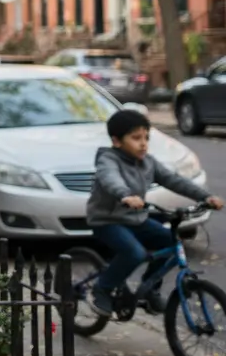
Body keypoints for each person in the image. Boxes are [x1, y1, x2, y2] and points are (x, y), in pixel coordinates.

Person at [86, 109, 223, 316]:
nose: (143, 143)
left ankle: (149, 289)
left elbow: (173, 180)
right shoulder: (108, 160)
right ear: (116, 141)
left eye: (146, 138)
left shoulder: (147, 162)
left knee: (170, 243)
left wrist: (204, 197)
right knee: (135, 253)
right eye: (136, 138)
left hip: (136, 220)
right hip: (107, 221)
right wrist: (125, 195)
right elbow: (110, 178)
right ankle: (101, 289)